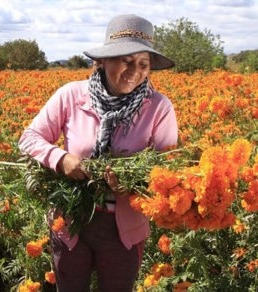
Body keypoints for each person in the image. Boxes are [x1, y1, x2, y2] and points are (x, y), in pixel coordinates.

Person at [18, 14, 178, 291]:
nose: (134, 71)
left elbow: (170, 170)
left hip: (124, 228)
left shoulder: (159, 107)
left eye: (143, 64)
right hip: (70, 220)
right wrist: (61, 159)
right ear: (102, 61)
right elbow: (29, 138)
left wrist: (134, 184)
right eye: (126, 61)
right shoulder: (71, 95)